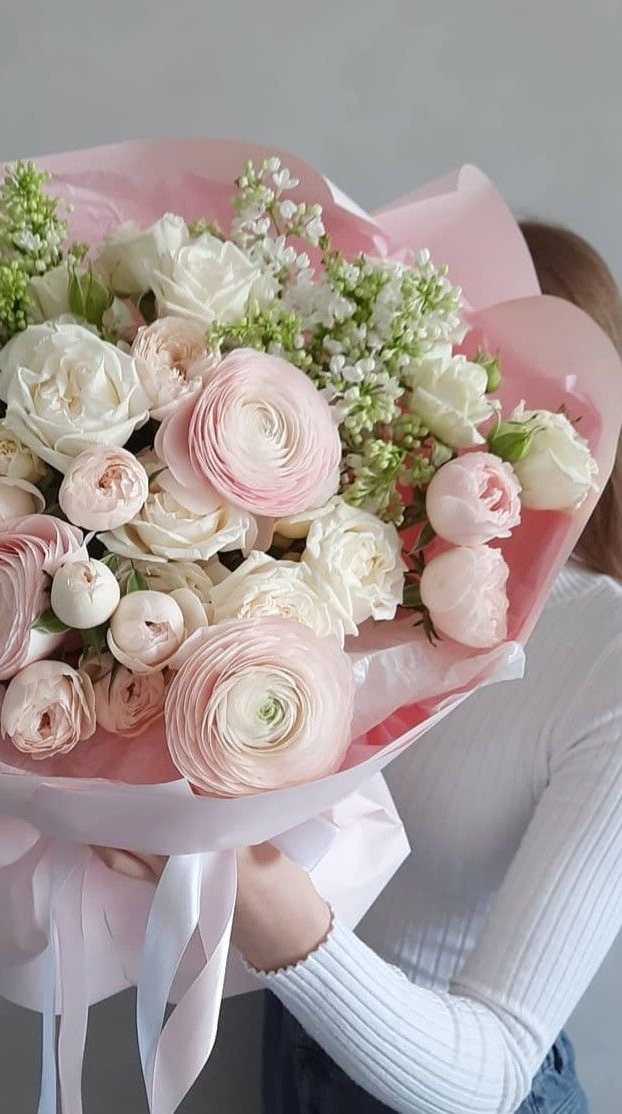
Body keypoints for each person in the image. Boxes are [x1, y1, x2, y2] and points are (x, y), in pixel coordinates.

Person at [96, 221, 622, 1113]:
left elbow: (494, 1073)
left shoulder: (602, 659)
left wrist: (259, 895)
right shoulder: (322, 567)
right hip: (294, 1035)